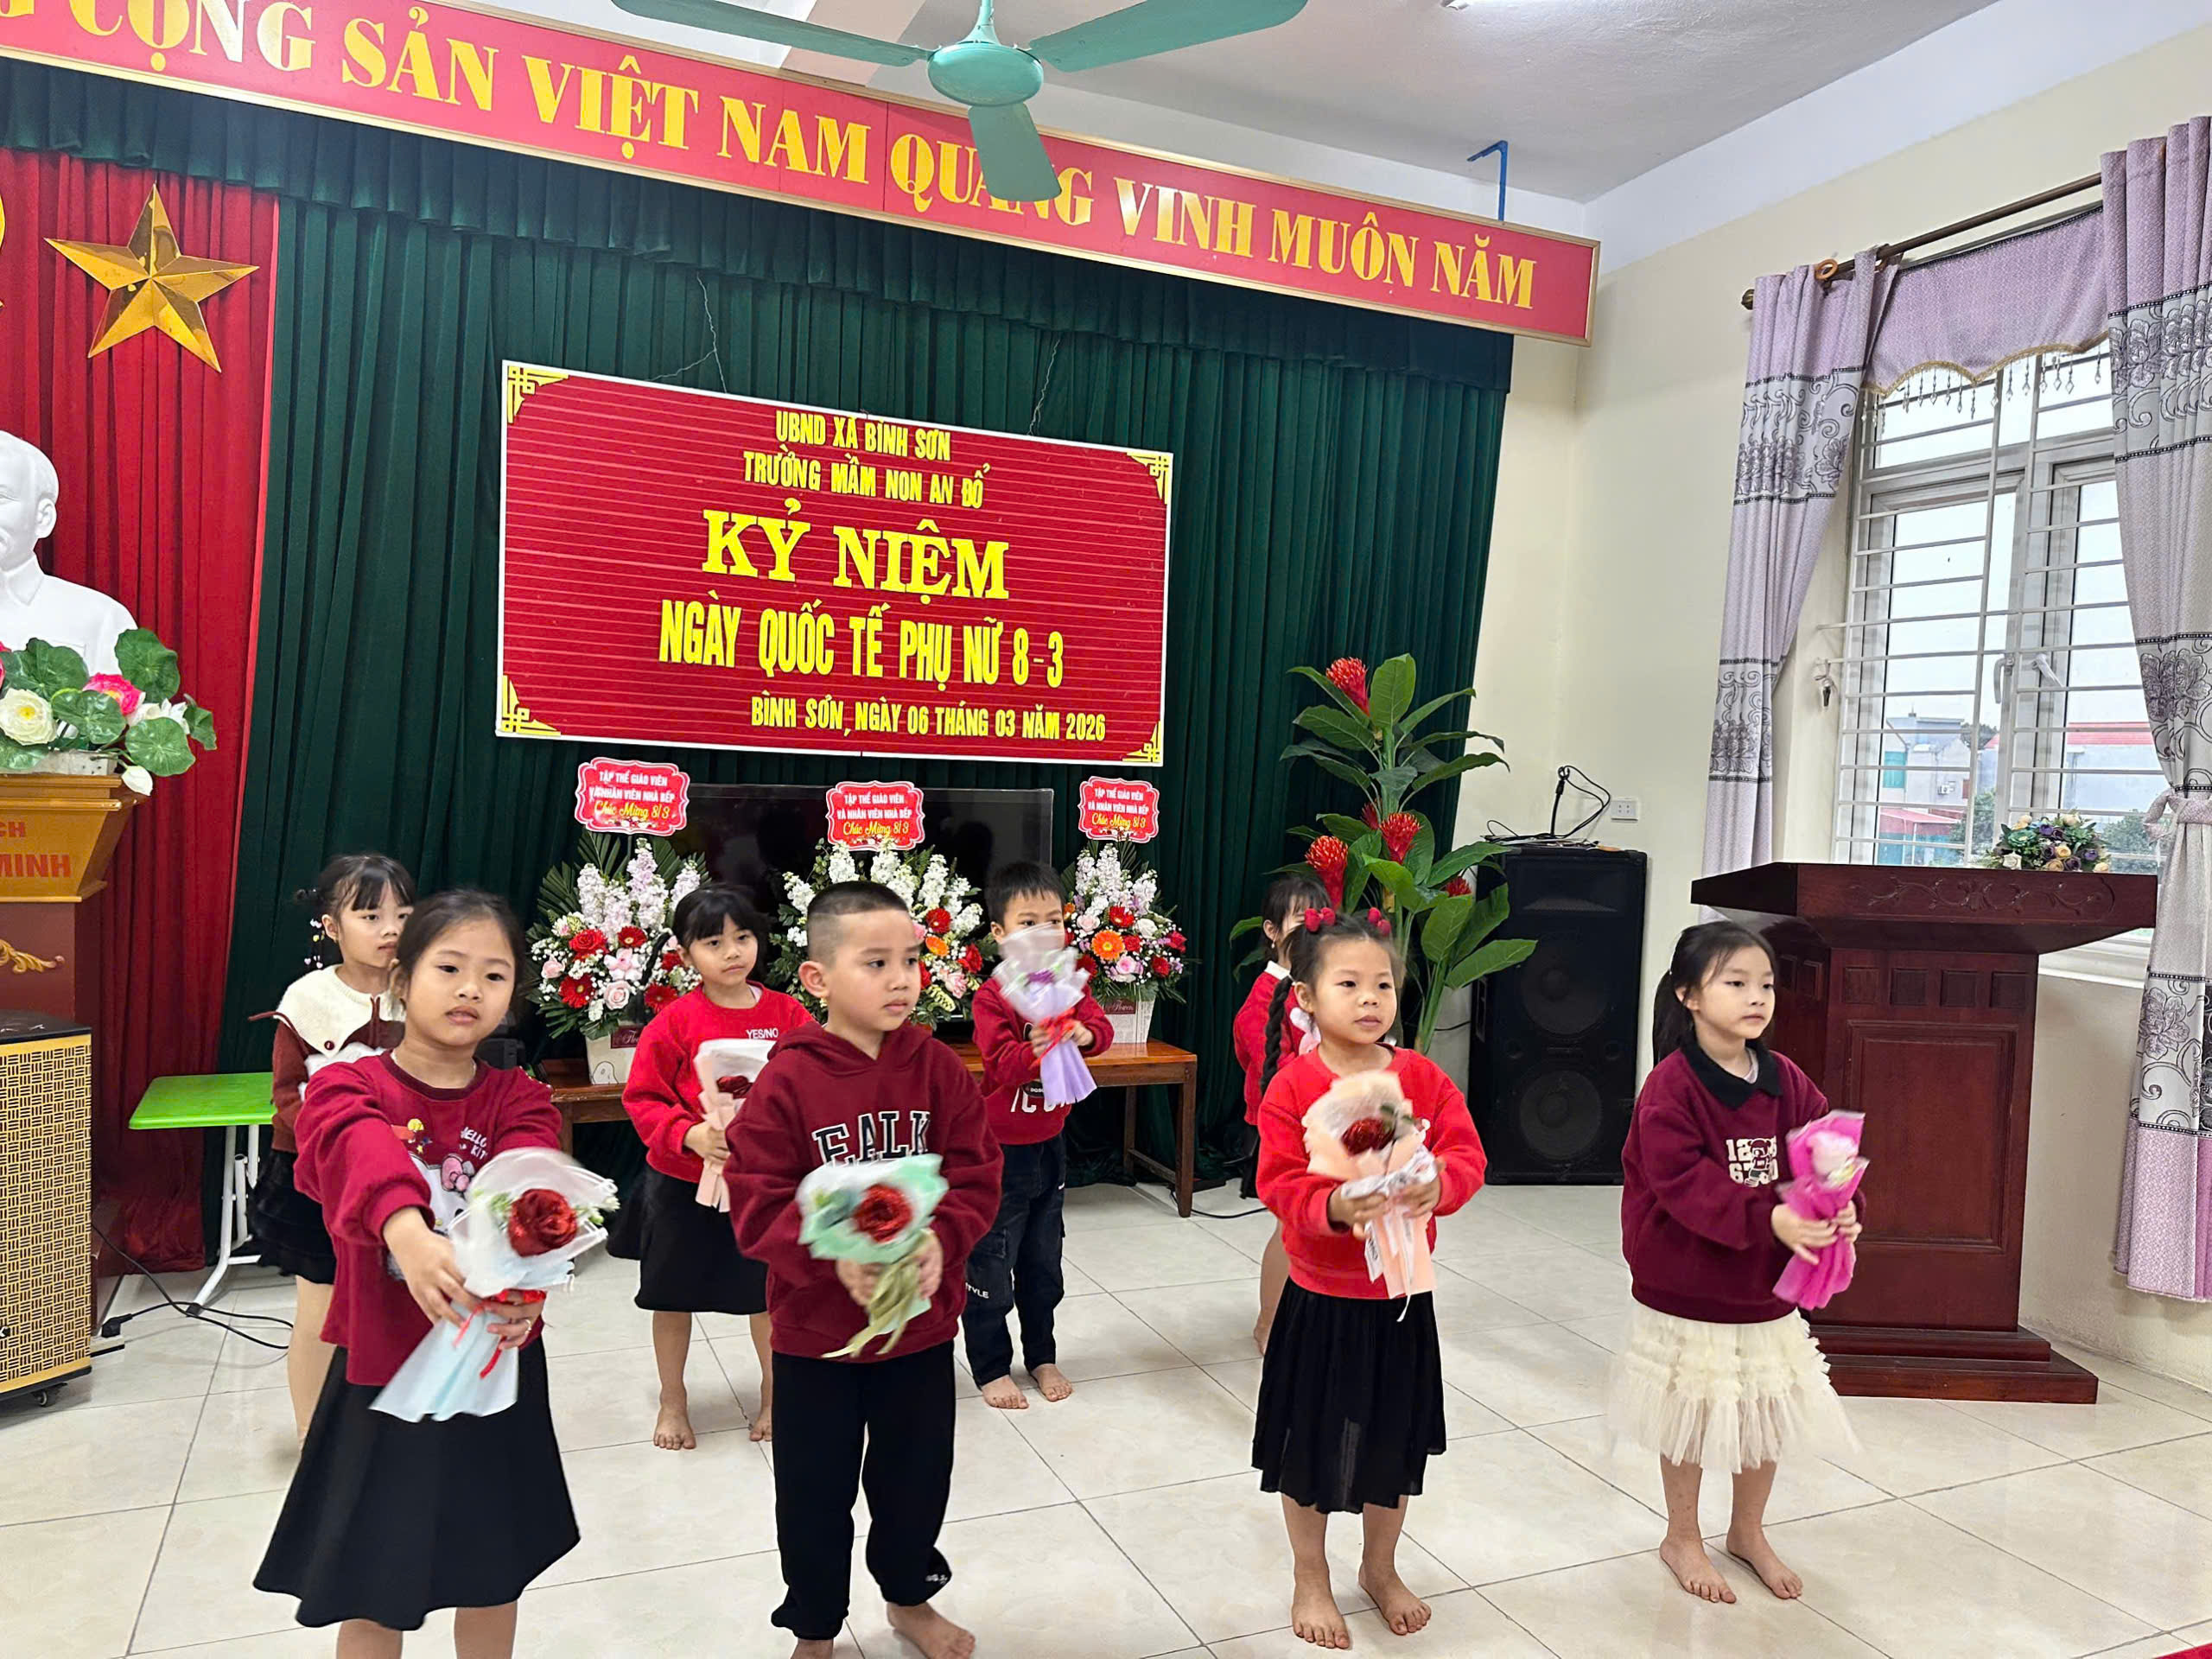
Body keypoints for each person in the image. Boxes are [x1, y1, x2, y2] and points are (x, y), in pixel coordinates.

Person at [255, 892, 576, 1657]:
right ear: (401, 980)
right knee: (374, 1589)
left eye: (494, 975)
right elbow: (353, 1146)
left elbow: (531, 1190)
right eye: (450, 968)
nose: (471, 990)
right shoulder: (348, 1084)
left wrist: (528, 1291)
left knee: (493, 1576)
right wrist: (407, 1229)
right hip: (383, 1373)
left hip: (494, 1368)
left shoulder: (521, 1099)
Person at [729, 881, 1001, 1659]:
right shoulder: (787, 1080)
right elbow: (756, 1202)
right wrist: (830, 1253)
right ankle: (815, 1627)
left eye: (911, 960)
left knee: (916, 1482)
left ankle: (909, 1599)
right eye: (876, 963)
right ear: (816, 978)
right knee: (813, 1494)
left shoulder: (937, 1067)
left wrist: (942, 1239)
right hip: (815, 1338)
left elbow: (977, 1173)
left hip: (920, 1329)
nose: (901, 979)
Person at [1254, 906, 1488, 1650]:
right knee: (1309, 1444)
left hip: (1402, 1296)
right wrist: (1331, 1205)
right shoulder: (1294, 1085)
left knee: (1394, 1441)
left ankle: (1379, 1568)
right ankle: (1310, 1574)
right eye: (1348, 984)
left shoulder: (1419, 1075)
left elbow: (1467, 1154)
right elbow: (1277, 1181)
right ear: (1306, 997)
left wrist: (1440, 1183)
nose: (1369, 999)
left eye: (1382, 984)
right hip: (1322, 1299)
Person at [1609, 921, 1862, 1605]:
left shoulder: (1788, 1081)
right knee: (1691, 1410)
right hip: (1688, 1282)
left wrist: (1842, 1206)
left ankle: (1748, 1531)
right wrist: (1770, 1216)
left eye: (1766, 985)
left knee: (1764, 1409)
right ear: (1688, 995)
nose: (1757, 998)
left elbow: (1827, 1156)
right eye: (1736, 983)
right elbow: (1682, 1182)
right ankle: (1682, 1536)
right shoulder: (1671, 1087)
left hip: (1764, 1286)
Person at [617, 884, 810, 1448]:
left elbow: (813, 1081)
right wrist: (690, 1134)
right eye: (714, 942)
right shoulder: (674, 1022)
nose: (732, 952)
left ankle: (775, 1398)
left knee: (769, 1295)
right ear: (686, 955)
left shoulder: (788, 1013)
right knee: (670, 1296)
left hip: (761, 1186)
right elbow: (643, 1098)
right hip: (682, 1184)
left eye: (743, 937)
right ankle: (672, 1402)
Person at [247, 853, 414, 1440]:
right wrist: (341, 1146)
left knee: (401, 1306)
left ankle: (395, 1434)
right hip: (316, 1178)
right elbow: (287, 1095)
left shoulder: (423, 987)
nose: (390, 929)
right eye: (371, 916)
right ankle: (311, 1438)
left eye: (402, 914)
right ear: (332, 926)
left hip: (408, 1175)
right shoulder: (306, 997)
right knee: (320, 1309)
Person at [962, 859, 1112, 1411]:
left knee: (1044, 1260)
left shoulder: (1068, 984)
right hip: (998, 1153)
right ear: (999, 932)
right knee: (992, 1259)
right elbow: (1000, 1063)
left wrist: (1081, 1033)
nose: (1043, 934)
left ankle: (1042, 1354)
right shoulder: (993, 996)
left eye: (1054, 921)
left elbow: (1101, 1030)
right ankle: (989, 1366)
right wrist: (1038, 1044)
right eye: (1028, 924)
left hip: (1051, 1146)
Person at [1237, 871, 1331, 1353]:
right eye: (1300, 919)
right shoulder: (1264, 998)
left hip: (1327, 1129)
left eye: (1320, 918)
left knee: (1320, 1227)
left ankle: (1307, 1318)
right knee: (1290, 1227)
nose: (1313, 927)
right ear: (1272, 931)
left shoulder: (1321, 989)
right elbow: (1272, 1073)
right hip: (1286, 1131)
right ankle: (1268, 1321)